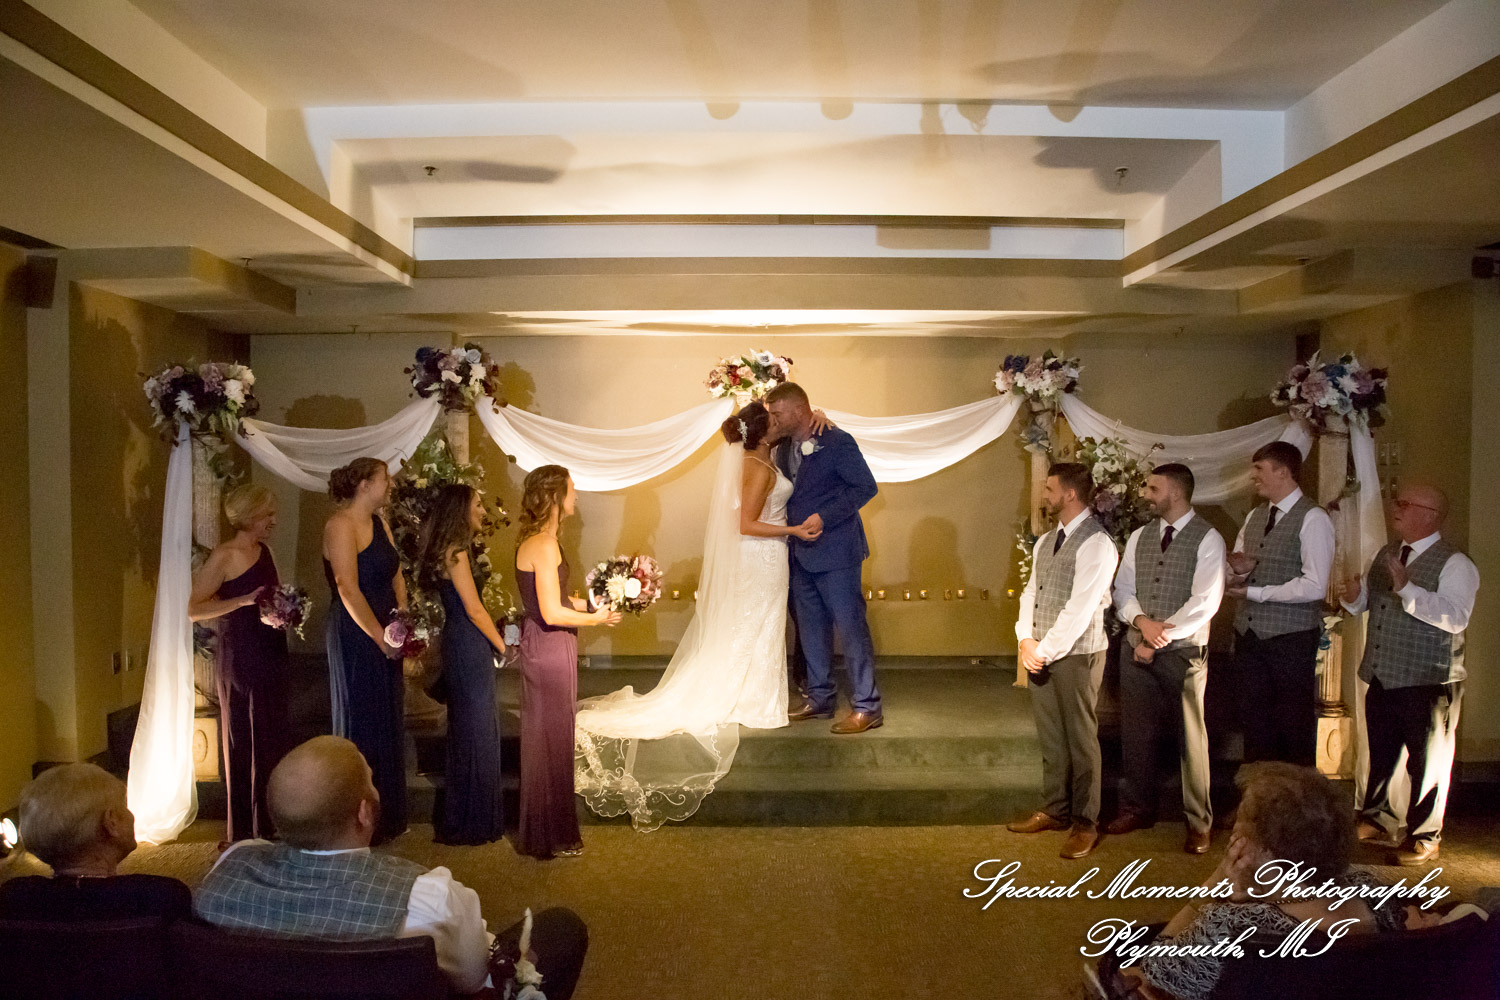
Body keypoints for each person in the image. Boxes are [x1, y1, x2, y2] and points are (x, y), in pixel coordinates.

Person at [574, 401, 823, 831]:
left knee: (759, 627)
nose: (780, 423)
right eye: (774, 420)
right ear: (762, 432)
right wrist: (793, 530)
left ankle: (753, 695)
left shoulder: (761, 457)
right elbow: (745, 523)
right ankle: (750, 698)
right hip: (761, 555)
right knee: (754, 626)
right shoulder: (758, 467)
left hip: (764, 560)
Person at [195, 736, 588, 999]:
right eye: (370, 780)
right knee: (562, 928)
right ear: (364, 813)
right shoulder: (426, 897)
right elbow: (473, 979)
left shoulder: (228, 867)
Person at [1095, 763, 1406, 1000]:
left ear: (1265, 849)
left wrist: (1216, 882)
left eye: (1241, 822)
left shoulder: (1228, 927)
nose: (1233, 831)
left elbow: (1153, 967)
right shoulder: (1376, 892)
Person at [1340, 483, 1478, 866]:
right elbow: (1367, 606)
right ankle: (1377, 818)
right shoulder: (1388, 552)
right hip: (1383, 674)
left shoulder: (1456, 564)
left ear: (1429, 515)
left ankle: (1424, 834)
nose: (1395, 507)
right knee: (1382, 754)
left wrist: (1408, 588)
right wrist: (1353, 596)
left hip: (1428, 678)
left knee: (1427, 762)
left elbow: (1455, 617)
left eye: (1404, 503)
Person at [1107, 463, 1227, 854]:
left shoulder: (1208, 539)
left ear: (1175, 492)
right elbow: (1123, 590)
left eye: (1153, 488)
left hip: (1184, 653)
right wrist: (1141, 622)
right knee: (1136, 734)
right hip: (1136, 647)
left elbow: (1204, 602)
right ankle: (1137, 808)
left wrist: (1160, 635)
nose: (1146, 494)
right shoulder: (1141, 536)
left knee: (1191, 739)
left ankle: (1198, 822)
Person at [1008, 462, 1118, 860]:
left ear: (1070, 494)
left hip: (1078, 653)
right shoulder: (1045, 541)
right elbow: (1030, 593)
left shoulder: (1097, 543)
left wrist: (1044, 649)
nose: (1044, 494)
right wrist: (1025, 639)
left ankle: (1085, 823)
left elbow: (1081, 608)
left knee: (1081, 739)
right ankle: (1055, 809)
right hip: (1042, 651)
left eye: (1050, 488)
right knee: (1052, 737)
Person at [514, 466, 620, 858]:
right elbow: (551, 613)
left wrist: (593, 603)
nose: (576, 497)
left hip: (552, 645)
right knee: (547, 741)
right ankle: (544, 834)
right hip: (548, 647)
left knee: (556, 738)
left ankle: (552, 830)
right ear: (556, 497)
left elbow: (557, 601)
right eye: (572, 491)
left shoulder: (543, 541)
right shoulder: (542, 544)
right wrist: (596, 619)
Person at [766, 382, 883, 734]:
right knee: (812, 629)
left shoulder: (837, 440)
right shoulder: (782, 446)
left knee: (850, 628)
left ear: (799, 410)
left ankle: (867, 705)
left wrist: (826, 516)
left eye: (778, 413)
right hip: (799, 552)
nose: (773, 420)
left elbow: (865, 487)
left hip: (837, 551)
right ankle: (820, 698)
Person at [188, 483, 292, 842]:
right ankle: (247, 831)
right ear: (248, 516)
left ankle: (273, 822)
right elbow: (194, 609)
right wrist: (242, 601)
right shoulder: (224, 556)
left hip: (271, 647)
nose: (273, 521)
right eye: (268, 515)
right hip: (242, 653)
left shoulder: (265, 551)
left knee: (272, 734)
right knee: (245, 738)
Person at [1227, 440, 1333, 769]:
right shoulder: (1256, 515)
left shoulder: (1313, 519)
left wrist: (1256, 593)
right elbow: (1238, 567)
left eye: (1260, 469)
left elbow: (1315, 585)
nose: (1253, 476)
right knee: (1254, 722)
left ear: (1283, 472)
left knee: (1292, 723)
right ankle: (1257, 801)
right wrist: (1238, 573)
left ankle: (1297, 806)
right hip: (1250, 635)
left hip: (1291, 638)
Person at [323, 456, 409, 843]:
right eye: (383, 479)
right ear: (363, 484)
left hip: (387, 627)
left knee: (388, 715)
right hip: (357, 632)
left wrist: (404, 620)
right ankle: (357, 820)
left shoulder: (381, 523)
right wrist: (381, 637)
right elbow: (346, 587)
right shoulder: (340, 524)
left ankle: (387, 815)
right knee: (363, 717)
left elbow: (397, 575)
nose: (389, 485)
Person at [418, 483, 507, 846]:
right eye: (478, 504)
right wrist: (502, 645)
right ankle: (473, 821)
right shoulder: (456, 552)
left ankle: (470, 815)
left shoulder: (452, 550)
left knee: (471, 726)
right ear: (461, 511)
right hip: (468, 642)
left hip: (459, 639)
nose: (483, 511)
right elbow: (474, 609)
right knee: (476, 727)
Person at [0, 763, 191, 922]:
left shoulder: (14, 897)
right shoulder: (162, 896)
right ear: (111, 823)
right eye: (123, 805)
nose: (131, 814)